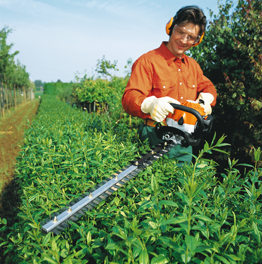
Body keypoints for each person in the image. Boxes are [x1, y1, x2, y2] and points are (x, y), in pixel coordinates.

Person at [122, 5, 217, 163]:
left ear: (197, 40)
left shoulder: (193, 66)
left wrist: (205, 100)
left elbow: (209, 87)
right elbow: (129, 97)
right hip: (154, 134)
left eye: (191, 37)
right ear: (171, 27)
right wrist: (150, 104)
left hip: (185, 140)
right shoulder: (148, 61)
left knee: (181, 185)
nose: (183, 40)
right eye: (180, 32)